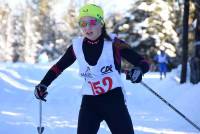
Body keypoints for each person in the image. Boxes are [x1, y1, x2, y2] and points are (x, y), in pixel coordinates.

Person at [34, 4, 149, 134]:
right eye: (83, 23)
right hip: (90, 103)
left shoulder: (114, 43)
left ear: (101, 23)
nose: (87, 27)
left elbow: (143, 61)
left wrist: (139, 70)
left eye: (92, 22)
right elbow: (58, 67)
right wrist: (43, 84)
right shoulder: (76, 46)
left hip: (114, 101)